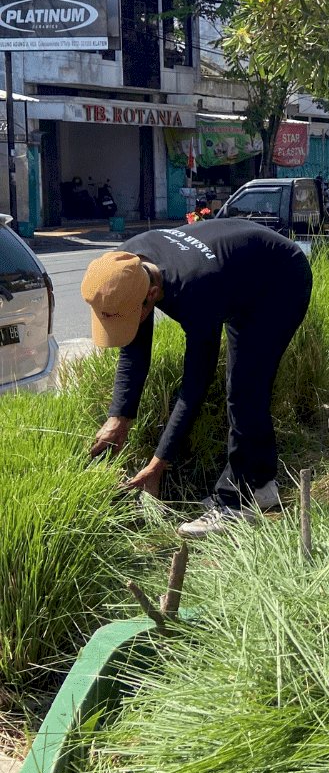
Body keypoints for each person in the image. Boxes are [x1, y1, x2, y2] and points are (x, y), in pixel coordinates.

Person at [81, 220, 312, 538]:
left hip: (280, 280)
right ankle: (262, 485)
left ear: (151, 295)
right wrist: (118, 418)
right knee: (245, 386)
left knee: (245, 387)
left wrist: (158, 463)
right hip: (239, 273)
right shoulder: (122, 267)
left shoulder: (196, 290)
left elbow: (195, 385)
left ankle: (234, 504)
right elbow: (134, 353)